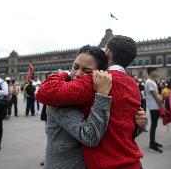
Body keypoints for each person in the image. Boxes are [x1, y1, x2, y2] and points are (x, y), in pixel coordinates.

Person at [37, 36, 145, 169]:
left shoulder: (95, 82)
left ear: (107, 53)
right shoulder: (133, 85)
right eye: (75, 67)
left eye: (87, 71)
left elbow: (44, 92)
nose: (77, 74)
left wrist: (139, 123)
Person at [145, 67, 163, 153]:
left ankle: (153, 142)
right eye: (155, 71)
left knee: (154, 125)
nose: (156, 72)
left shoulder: (152, 82)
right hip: (153, 107)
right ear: (151, 72)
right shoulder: (149, 82)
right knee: (153, 125)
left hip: (154, 106)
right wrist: (160, 104)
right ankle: (152, 144)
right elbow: (155, 95)